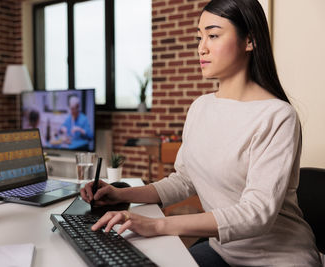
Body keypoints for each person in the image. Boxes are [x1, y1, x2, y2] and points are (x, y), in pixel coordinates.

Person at [80, 0, 322, 266]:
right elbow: (184, 181)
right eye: (200, 36)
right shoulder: (200, 107)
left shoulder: (277, 116)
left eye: (213, 35)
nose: (201, 47)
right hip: (222, 251)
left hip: (278, 259)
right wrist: (121, 194)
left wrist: (159, 225)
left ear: (249, 41)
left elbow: (256, 214)